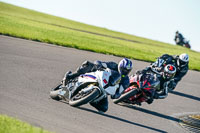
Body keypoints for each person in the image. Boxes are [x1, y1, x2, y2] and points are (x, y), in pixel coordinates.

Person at [62, 58, 133, 112]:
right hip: (98, 78)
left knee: (104, 108)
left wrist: (116, 94)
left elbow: (119, 93)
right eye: (124, 69)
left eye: (127, 70)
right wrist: (99, 65)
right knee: (88, 65)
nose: (125, 71)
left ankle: (90, 98)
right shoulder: (113, 65)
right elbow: (100, 62)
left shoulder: (126, 81)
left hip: (104, 91)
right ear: (120, 66)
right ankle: (71, 76)